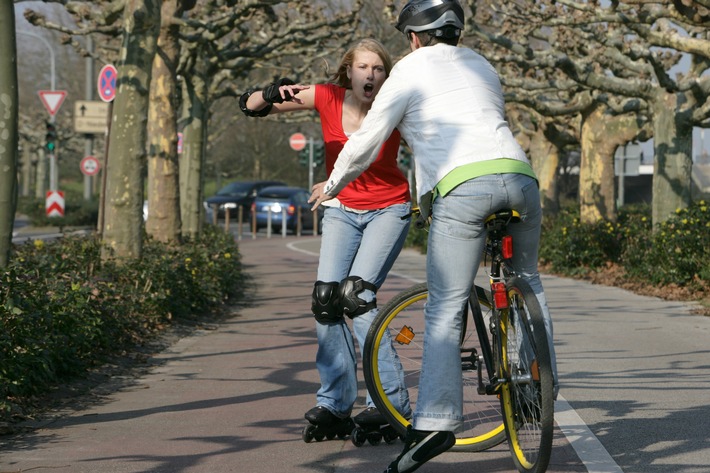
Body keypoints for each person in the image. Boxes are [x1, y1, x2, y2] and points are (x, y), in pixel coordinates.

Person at [309, 1, 559, 471]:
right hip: (520, 178)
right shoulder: (481, 64)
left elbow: (365, 141)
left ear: (414, 38)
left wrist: (334, 186)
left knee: (446, 307)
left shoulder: (408, 70)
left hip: (463, 190)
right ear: (456, 34)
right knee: (528, 278)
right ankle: (540, 388)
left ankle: (435, 425)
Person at [239, 38, 413, 440]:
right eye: (363, 68)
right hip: (341, 209)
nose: (371, 75)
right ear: (348, 71)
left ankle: (389, 405)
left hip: (389, 207)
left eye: (378, 69)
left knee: (359, 298)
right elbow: (251, 106)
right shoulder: (326, 97)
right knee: (326, 300)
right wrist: (265, 94)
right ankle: (335, 404)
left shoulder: (396, 103)